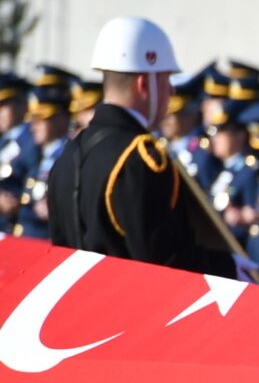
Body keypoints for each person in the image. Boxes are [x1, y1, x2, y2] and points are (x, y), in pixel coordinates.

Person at [48, 15, 233, 275]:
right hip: (129, 313)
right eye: (166, 80)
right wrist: (229, 267)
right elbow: (165, 262)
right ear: (144, 84)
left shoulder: (68, 154)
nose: (172, 91)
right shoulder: (141, 157)